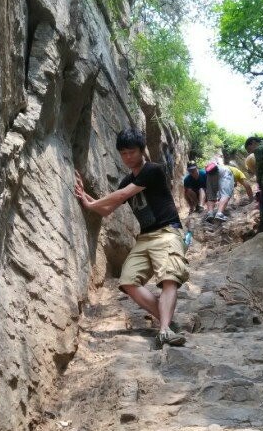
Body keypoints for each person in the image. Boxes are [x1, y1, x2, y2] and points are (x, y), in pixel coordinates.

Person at [74, 127, 188, 348]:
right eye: (123, 153)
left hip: (167, 232)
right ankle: (168, 323)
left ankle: (164, 330)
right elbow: (107, 209)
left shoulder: (153, 170)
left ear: (142, 150)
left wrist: (90, 202)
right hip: (145, 237)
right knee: (128, 281)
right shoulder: (127, 180)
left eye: (132, 152)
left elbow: (123, 195)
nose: (127, 157)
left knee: (169, 278)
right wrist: (84, 196)